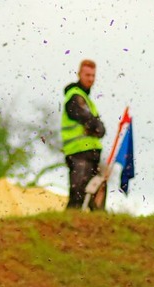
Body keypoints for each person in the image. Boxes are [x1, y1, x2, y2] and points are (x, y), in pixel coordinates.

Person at [61, 59, 106, 210]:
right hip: (78, 152)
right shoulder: (75, 97)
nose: (91, 79)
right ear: (79, 74)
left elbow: (99, 129)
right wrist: (95, 126)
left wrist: (96, 127)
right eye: (87, 75)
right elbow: (89, 121)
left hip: (91, 153)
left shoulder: (87, 100)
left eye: (93, 75)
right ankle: (69, 228)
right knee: (78, 196)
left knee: (95, 199)